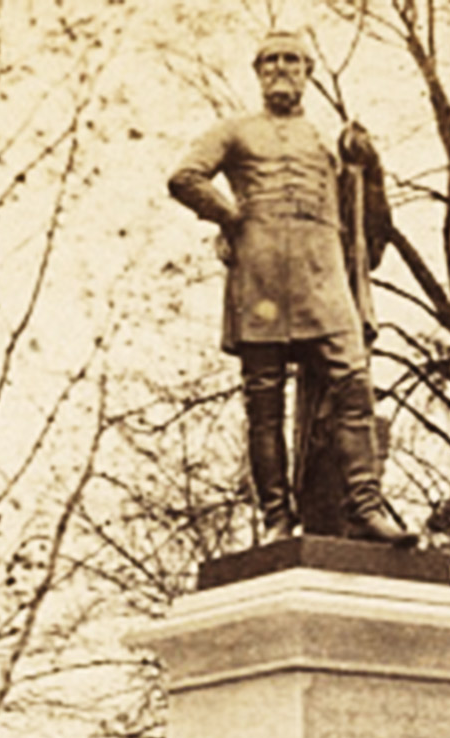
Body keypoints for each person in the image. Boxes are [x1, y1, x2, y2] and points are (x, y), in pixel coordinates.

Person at [168, 29, 413, 545]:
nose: (281, 68)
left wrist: (369, 166)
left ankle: (366, 507)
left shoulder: (327, 142)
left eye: (292, 60)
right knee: (264, 404)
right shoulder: (235, 131)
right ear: (258, 72)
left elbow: (365, 218)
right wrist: (230, 218)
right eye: (270, 60)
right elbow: (185, 177)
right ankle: (277, 518)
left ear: (307, 72)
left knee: (354, 383)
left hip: (322, 274)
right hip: (260, 276)